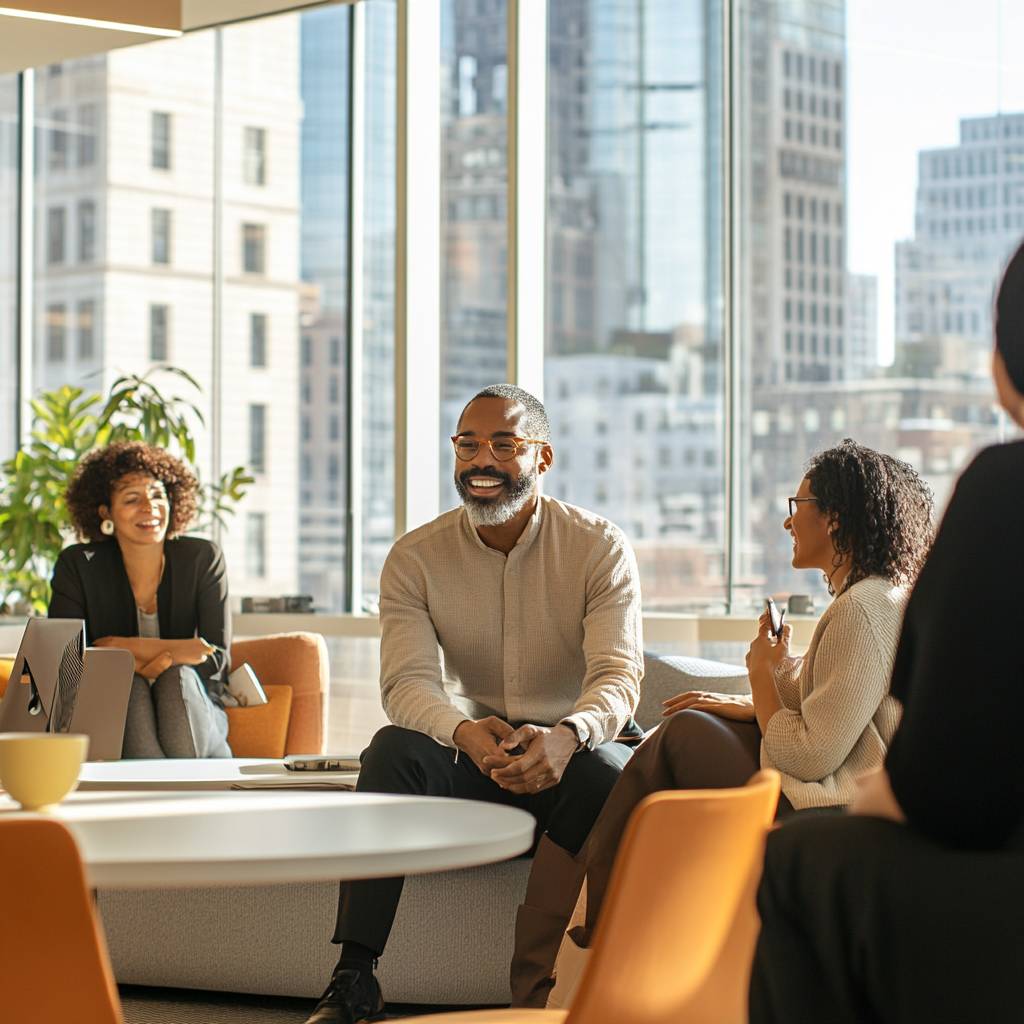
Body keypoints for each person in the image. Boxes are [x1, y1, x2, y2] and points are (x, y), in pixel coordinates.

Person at [524, 440, 934, 1000]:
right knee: (681, 738)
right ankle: (590, 934)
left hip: (829, 805)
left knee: (677, 739)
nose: (789, 520)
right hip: (834, 790)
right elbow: (841, 709)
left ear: (835, 517)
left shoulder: (861, 610)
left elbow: (811, 754)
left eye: (800, 503)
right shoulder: (875, 598)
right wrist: (765, 685)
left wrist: (762, 680)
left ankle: (576, 943)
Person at [305, 384, 644, 1023]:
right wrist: (462, 733)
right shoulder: (414, 557)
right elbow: (406, 684)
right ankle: (354, 979)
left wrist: (567, 734)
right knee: (392, 750)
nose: (480, 460)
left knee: (609, 770)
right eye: (467, 443)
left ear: (542, 458)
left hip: (574, 762)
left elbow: (619, 677)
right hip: (479, 759)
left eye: (504, 444)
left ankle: (548, 985)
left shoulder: (598, 547)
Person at [748, 245, 1024, 1024]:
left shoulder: (1003, 493)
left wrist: (873, 797)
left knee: (797, 863)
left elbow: (948, 789)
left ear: (1003, 369)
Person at [49, 441, 232, 758]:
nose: (150, 507)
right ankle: (171, 799)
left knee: (175, 681)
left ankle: (168, 796)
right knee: (129, 688)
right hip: (115, 707)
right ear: (106, 511)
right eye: (132, 499)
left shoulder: (202, 557)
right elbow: (68, 662)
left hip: (196, 710)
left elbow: (215, 659)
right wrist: (176, 651)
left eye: (158, 496)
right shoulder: (77, 564)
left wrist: (124, 648)